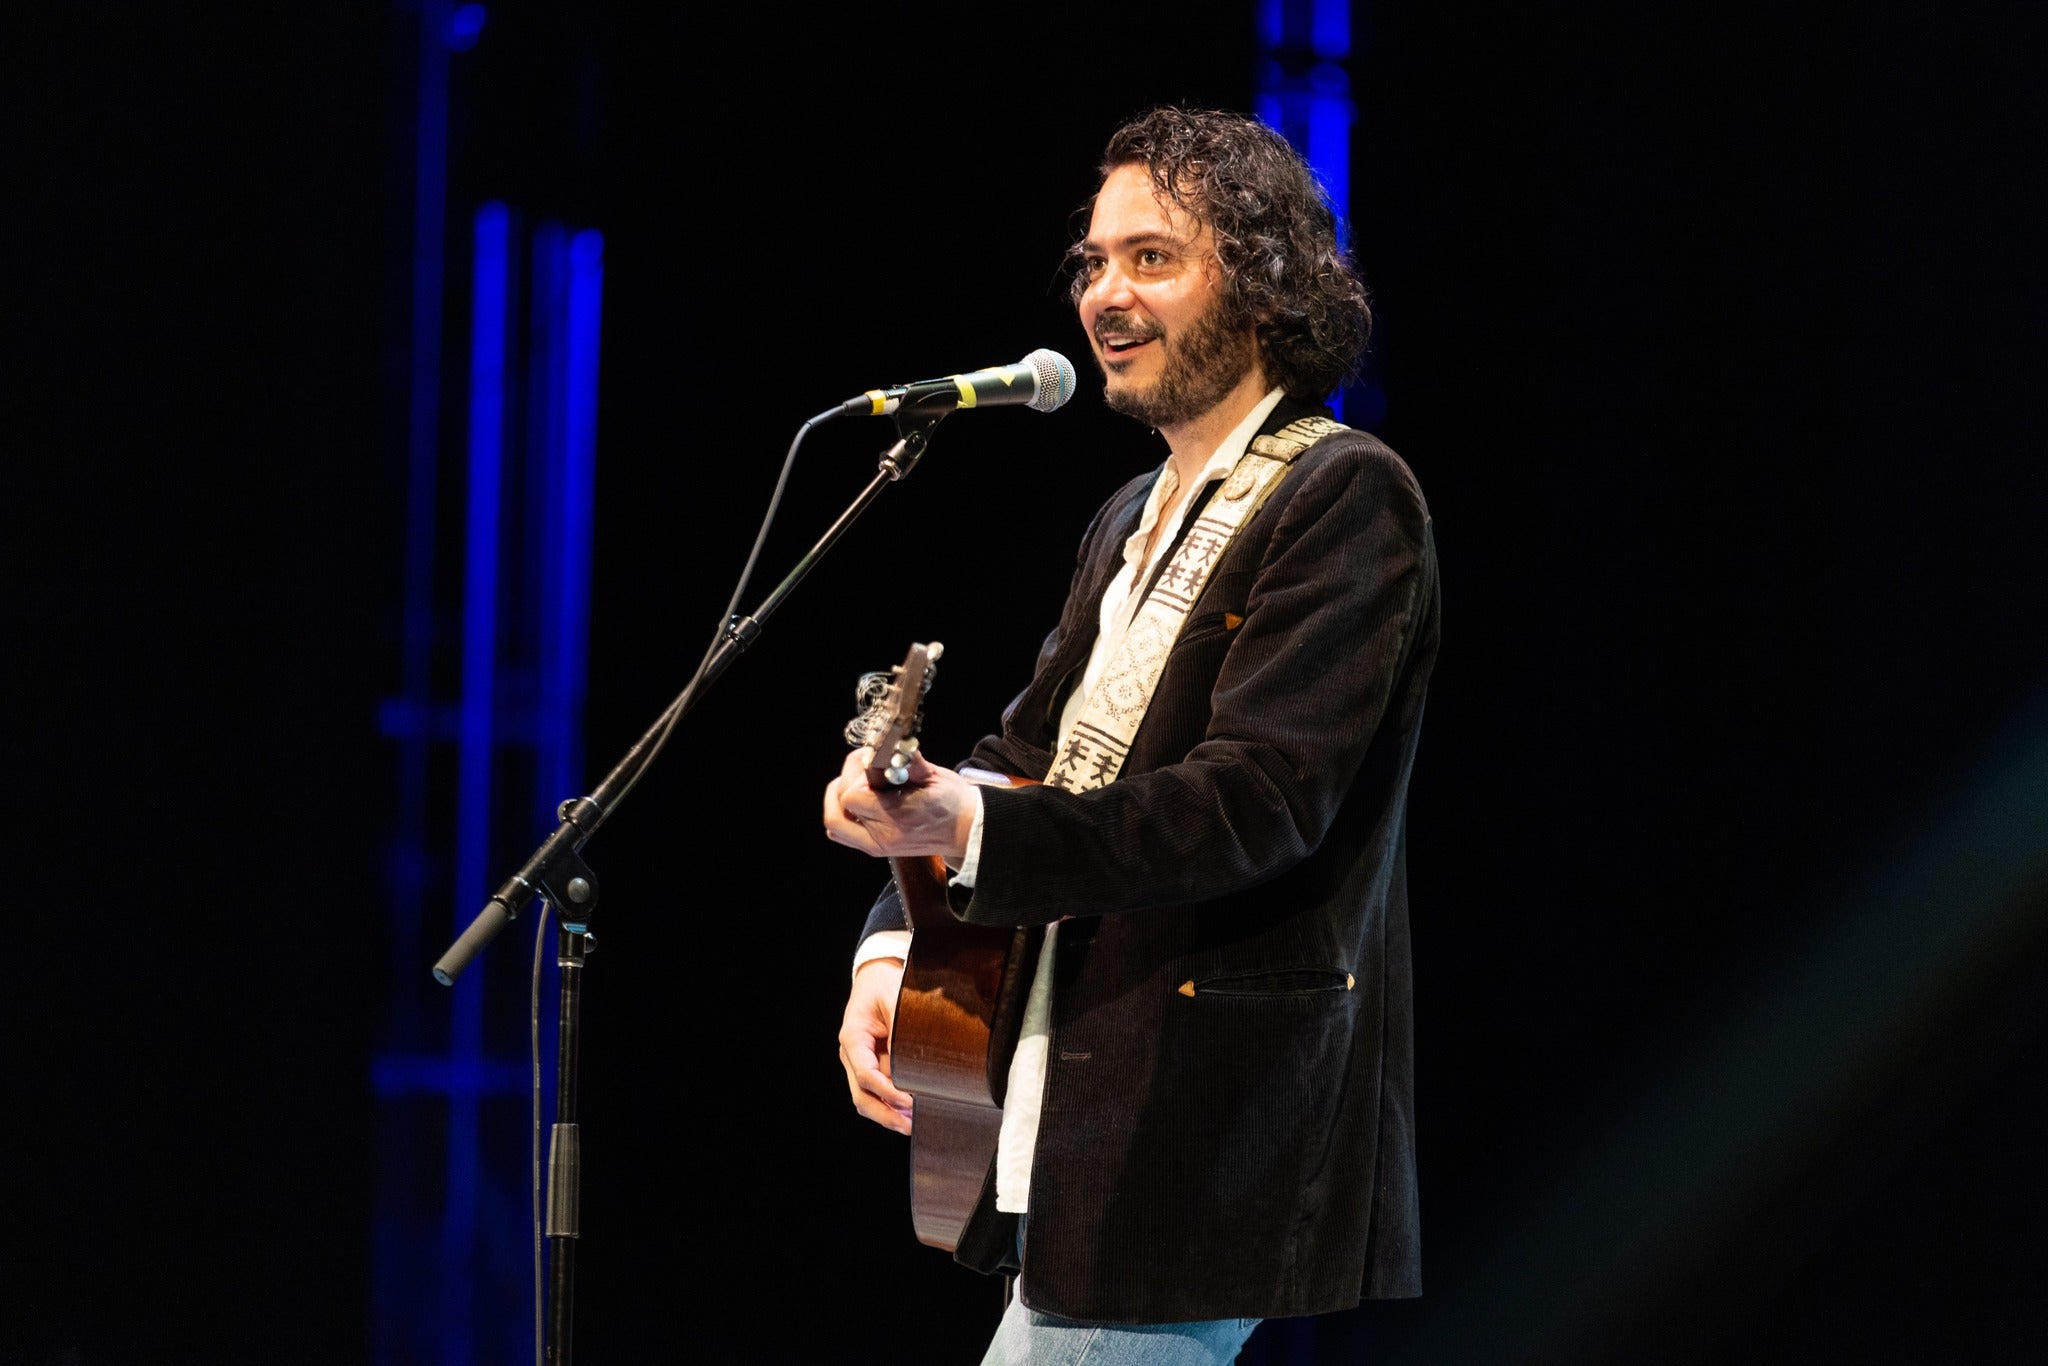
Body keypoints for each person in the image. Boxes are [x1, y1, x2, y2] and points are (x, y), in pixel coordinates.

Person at [824, 104, 1439, 1364]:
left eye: (1150, 257)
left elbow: (1256, 798)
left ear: (1262, 284)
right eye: (1092, 262)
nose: (1103, 293)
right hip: (1073, 1119)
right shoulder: (1128, 513)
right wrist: (893, 938)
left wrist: (967, 821)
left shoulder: (1342, 491)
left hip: (1200, 1119)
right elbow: (1020, 760)